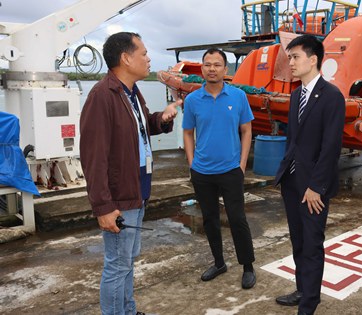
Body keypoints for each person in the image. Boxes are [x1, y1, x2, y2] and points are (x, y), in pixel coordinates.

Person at [80, 32, 182, 315]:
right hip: (120, 197)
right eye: (144, 53)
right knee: (117, 263)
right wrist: (103, 206)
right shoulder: (102, 96)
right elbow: (93, 156)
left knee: (127, 259)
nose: (149, 59)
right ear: (126, 58)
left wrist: (162, 118)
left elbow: (141, 127)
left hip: (137, 188)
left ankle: (127, 310)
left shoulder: (130, 91)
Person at [274, 35, 345, 315]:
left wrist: (317, 186)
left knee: (312, 245)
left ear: (313, 59)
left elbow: (331, 147)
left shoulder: (332, 96)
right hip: (292, 181)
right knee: (298, 241)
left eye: (295, 57)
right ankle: (302, 289)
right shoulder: (296, 95)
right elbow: (294, 139)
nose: (290, 63)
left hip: (314, 187)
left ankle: (309, 304)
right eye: (289, 58)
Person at [182, 48, 256, 289]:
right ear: (202, 68)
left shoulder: (238, 97)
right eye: (207, 64)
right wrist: (192, 164)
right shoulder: (193, 100)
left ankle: (247, 266)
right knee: (210, 220)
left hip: (231, 170)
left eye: (216, 64)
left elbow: (246, 131)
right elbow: (187, 133)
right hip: (202, 172)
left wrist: (242, 163)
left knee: (237, 219)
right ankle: (219, 262)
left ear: (226, 70)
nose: (211, 69)